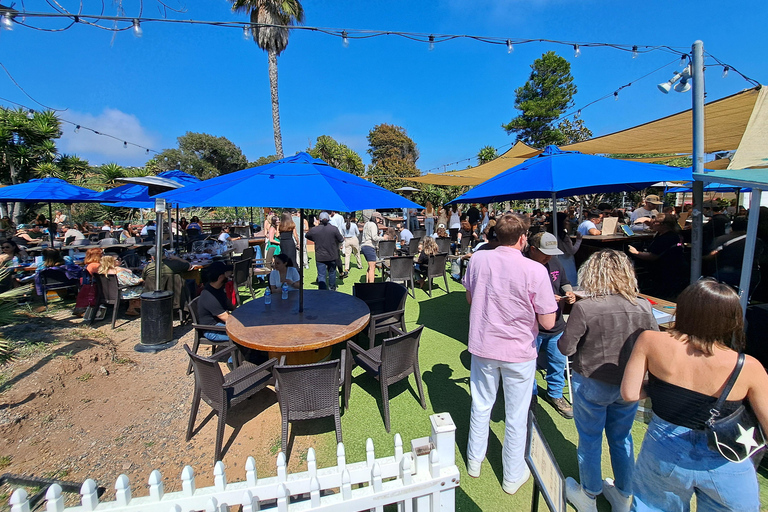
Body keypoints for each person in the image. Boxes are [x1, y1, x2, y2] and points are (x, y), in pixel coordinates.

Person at [621, 279, 768, 512]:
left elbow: (629, 393)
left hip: (663, 447)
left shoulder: (650, 340)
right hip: (726, 456)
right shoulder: (749, 367)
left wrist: (665, 388)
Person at [462, 213, 557, 495]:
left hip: (484, 345)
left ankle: (474, 461)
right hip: (518, 351)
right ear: (523, 238)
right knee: (516, 415)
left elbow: (470, 297)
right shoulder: (535, 270)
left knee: (481, 404)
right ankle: (511, 476)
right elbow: (548, 323)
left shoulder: (478, 258)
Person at [558, 249, 658, 512]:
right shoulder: (643, 305)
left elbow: (566, 348)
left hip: (591, 380)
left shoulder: (585, 307)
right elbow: (655, 344)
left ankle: (589, 493)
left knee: (590, 438)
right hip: (629, 384)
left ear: (592, 274)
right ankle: (624, 493)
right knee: (622, 438)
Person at [526, 232, 575, 419]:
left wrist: (569, 293)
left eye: (552, 253)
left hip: (556, 324)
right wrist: (543, 300)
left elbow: (564, 282)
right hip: (533, 327)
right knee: (529, 365)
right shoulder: (524, 266)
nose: (549, 257)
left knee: (557, 362)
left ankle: (555, 394)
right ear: (532, 249)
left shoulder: (554, 262)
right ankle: (531, 397)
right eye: (545, 253)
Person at [628, 213, 686, 299]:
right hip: (669, 268)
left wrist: (636, 253)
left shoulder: (667, 238)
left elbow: (653, 256)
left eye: (656, 222)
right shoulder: (664, 234)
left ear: (664, 225)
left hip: (665, 270)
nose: (653, 223)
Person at [197, 262, 235, 342]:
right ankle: (233, 355)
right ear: (221, 277)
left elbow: (231, 306)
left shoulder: (218, 288)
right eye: (228, 275)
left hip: (220, 324)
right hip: (212, 330)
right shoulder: (210, 297)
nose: (230, 277)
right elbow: (228, 320)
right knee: (244, 336)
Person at [306, 212, 343, 291]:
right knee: (332, 273)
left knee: (321, 274)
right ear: (329, 219)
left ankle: (322, 291)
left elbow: (307, 235)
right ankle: (332, 289)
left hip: (320, 256)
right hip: (332, 255)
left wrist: (315, 239)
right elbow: (341, 239)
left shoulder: (315, 230)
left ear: (319, 220)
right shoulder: (333, 229)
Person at [552, 211, 582, 285]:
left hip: (555, 260)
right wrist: (579, 241)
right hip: (567, 262)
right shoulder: (564, 237)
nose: (568, 223)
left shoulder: (551, 234)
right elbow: (572, 251)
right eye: (567, 221)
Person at [360, 212, 386, 283]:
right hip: (369, 246)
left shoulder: (367, 224)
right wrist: (383, 238)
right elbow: (374, 237)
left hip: (363, 245)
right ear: (376, 218)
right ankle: (371, 285)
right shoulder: (373, 225)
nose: (380, 221)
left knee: (370, 266)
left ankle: (367, 283)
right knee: (372, 267)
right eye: (379, 219)